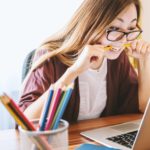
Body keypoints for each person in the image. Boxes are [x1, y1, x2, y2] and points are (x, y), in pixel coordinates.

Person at [19, 0, 150, 123]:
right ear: (91, 23)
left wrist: (144, 62)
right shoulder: (50, 57)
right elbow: (25, 123)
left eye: (131, 27)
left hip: (99, 142)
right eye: (115, 28)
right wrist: (74, 71)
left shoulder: (118, 59)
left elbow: (143, 108)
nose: (123, 40)